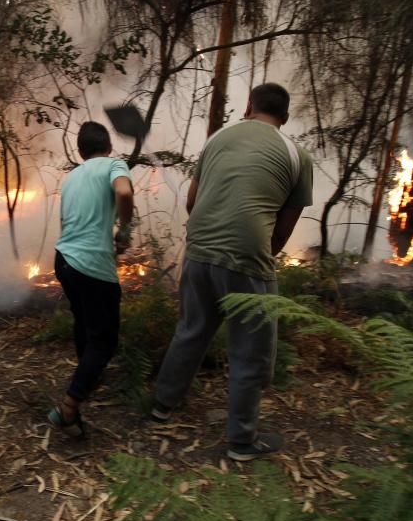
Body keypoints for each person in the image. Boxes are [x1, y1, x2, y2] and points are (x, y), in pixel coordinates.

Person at [151, 83, 313, 461]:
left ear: (248, 108)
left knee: (191, 330)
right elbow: (285, 225)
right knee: (250, 350)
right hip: (247, 257)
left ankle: (162, 405)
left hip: (198, 248)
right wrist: (260, 258)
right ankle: (241, 440)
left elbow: (192, 201)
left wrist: (209, 242)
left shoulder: (216, 139)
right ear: (284, 118)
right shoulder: (296, 155)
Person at [48, 122, 135, 436]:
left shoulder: (72, 178)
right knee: (105, 338)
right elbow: (124, 191)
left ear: (81, 151)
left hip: (64, 259)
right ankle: (69, 407)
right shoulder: (114, 165)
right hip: (90, 263)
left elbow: (65, 221)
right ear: (108, 146)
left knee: (84, 322)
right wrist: (124, 231)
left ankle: (86, 376)